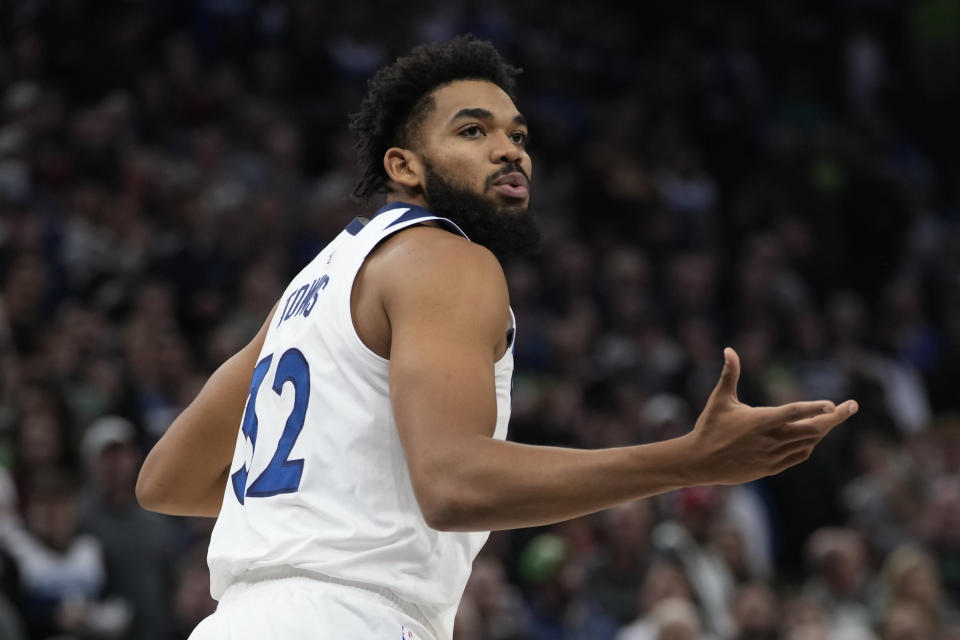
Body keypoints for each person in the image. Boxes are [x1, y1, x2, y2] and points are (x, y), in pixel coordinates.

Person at [135, 36, 859, 640]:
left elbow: (166, 480)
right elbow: (454, 485)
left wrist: (317, 509)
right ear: (403, 165)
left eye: (518, 135)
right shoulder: (449, 258)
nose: (510, 151)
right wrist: (688, 461)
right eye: (472, 131)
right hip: (348, 619)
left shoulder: (309, 288)